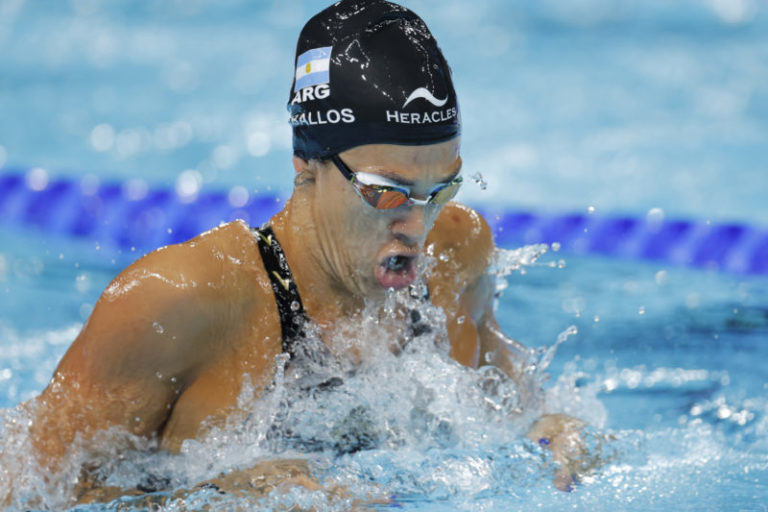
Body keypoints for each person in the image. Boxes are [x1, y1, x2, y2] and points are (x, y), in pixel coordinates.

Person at [10, 0, 589, 505]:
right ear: (307, 167)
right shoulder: (178, 304)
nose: (417, 224)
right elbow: (35, 496)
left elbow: (505, 407)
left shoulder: (457, 250)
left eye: (441, 189)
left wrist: (551, 431)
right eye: (385, 192)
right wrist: (214, 500)